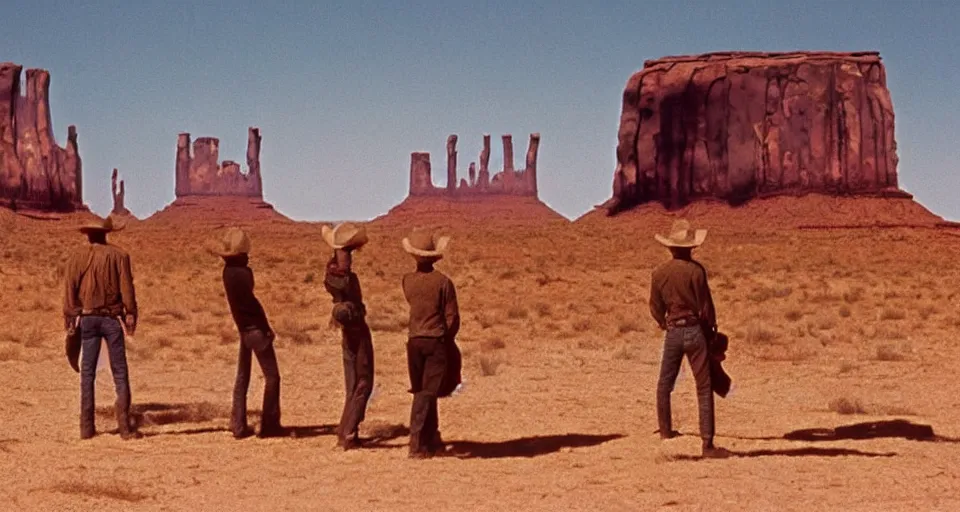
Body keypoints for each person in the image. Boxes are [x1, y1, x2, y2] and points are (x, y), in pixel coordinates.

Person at [648, 219, 728, 458]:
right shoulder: (697, 271)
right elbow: (706, 307)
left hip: (673, 331)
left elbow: (654, 306)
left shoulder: (659, 273)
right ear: (690, 248)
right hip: (695, 331)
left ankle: (665, 431)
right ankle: (707, 444)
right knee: (703, 388)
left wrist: (665, 322)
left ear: (671, 247)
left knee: (665, 384)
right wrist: (711, 331)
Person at [62, 216, 140, 440]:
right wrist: (131, 314)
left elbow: (69, 291)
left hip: (87, 320)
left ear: (88, 234)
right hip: (111, 320)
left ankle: (86, 428)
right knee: (120, 372)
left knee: (87, 374)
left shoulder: (76, 258)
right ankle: (124, 428)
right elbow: (127, 290)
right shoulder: (119, 256)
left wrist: (70, 316)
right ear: (107, 233)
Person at [213, 227, 285, 439]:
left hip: (243, 328)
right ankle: (269, 424)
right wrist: (266, 328)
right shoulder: (244, 273)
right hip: (255, 329)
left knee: (242, 376)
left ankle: (238, 424)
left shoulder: (227, 273)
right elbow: (253, 303)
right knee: (272, 377)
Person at [400, 229, 462, 459]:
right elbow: (452, 318)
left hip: (414, 341)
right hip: (435, 340)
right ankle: (416, 443)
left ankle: (431, 438)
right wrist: (447, 340)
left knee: (424, 391)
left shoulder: (407, 281)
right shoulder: (443, 282)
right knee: (426, 393)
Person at [321, 222, 375, 450]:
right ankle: (349, 433)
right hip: (357, 330)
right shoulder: (346, 278)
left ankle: (344, 429)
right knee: (363, 382)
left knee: (352, 381)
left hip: (347, 332)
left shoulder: (330, 274)